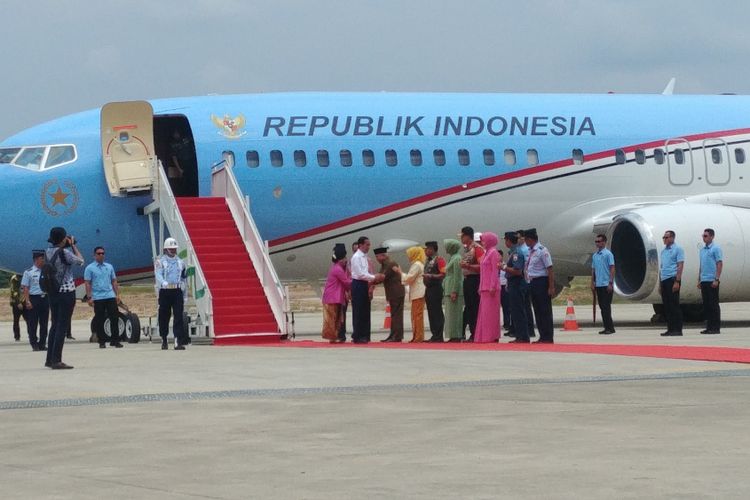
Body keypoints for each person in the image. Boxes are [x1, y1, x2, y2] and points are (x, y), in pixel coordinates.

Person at [45, 227, 84, 369]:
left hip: (53, 291)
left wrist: (65, 244)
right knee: (62, 325)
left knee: (55, 324)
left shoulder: (47, 252)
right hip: (66, 291)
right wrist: (73, 245)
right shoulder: (65, 252)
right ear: (63, 239)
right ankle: (57, 360)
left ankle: (49, 359)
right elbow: (80, 260)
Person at [84, 246, 123, 348]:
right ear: (94, 255)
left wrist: (117, 294)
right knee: (100, 319)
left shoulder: (109, 266)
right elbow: (87, 283)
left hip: (110, 295)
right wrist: (89, 297)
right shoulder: (89, 268)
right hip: (98, 297)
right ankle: (102, 341)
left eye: (103, 253)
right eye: (99, 253)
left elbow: (114, 280)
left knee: (114, 318)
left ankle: (115, 340)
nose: (101, 255)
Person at [155, 237, 188, 349]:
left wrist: (185, 294)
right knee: (164, 316)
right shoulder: (160, 261)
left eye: (174, 248)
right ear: (166, 249)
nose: (173, 250)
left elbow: (184, 278)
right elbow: (158, 274)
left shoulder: (181, 262)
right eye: (171, 249)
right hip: (165, 291)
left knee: (178, 315)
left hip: (177, 291)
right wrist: (163, 282)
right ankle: (164, 338)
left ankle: (177, 340)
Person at [524, 229, 555, 344]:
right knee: (537, 310)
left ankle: (548, 337)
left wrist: (551, 287)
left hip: (542, 282)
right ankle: (542, 336)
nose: (525, 242)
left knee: (545, 311)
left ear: (530, 239)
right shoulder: (530, 251)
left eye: (526, 239)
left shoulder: (542, 250)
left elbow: (550, 269)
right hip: (532, 282)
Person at [503, 232, 530, 343]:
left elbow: (518, 271)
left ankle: (522, 336)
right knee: (515, 310)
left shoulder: (516, 253)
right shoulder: (513, 252)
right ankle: (520, 335)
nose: (505, 242)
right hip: (513, 282)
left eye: (505, 240)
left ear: (509, 241)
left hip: (517, 283)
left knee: (518, 310)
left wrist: (503, 267)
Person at [474, 232, 501, 343]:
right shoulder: (486, 253)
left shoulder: (494, 253)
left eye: (484, 240)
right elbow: (483, 272)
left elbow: (495, 271)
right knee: (484, 314)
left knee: (490, 314)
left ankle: (491, 335)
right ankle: (484, 335)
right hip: (484, 287)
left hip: (491, 287)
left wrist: (493, 286)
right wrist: (480, 286)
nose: (483, 243)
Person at [321, 244, 351, 343]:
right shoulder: (338, 269)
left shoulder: (337, 267)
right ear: (341, 259)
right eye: (345, 258)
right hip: (332, 297)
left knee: (336, 318)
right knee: (332, 319)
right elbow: (346, 282)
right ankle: (332, 337)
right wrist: (358, 282)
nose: (346, 260)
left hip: (335, 297)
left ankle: (333, 337)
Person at [374, 247, 405, 342]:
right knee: (394, 315)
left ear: (383, 255)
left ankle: (396, 336)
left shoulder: (390, 264)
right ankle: (393, 335)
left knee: (396, 315)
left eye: (377, 257)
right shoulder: (385, 264)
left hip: (396, 292)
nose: (377, 259)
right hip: (393, 293)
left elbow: (382, 277)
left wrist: (368, 281)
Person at [459, 226, 484, 341]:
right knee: (469, 307)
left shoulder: (477, 248)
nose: (461, 238)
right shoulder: (467, 249)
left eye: (462, 236)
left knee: (474, 307)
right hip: (468, 280)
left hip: (475, 280)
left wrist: (468, 266)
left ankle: (476, 333)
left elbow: (482, 266)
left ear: (468, 236)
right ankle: (473, 332)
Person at [21, 250, 49, 351]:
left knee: (44, 323)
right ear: (36, 259)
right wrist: (27, 301)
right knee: (33, 323)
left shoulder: (46, 271)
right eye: (42, 259)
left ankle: (42, 343)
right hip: (34, 298)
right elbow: (25, 288)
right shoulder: (28, 272)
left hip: (45, 298)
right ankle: (34, 343)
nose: (44, 261)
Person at [350, 236, 376, 344]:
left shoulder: (364, 257)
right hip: (358, 284)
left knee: (365, 310)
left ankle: (365, 335)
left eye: (369, 245)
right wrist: (374, 277)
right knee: (359, 311)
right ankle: (358, 335)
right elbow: (360, 274)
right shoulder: (356, 257)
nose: (368, 247)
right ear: (360, 245)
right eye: (367, 245)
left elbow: (366, 272)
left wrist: (371, 279)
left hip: (364, 283)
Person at [659, 230, 685, 336]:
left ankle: (677, 329)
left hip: (672, 279)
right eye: (663, 237)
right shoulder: (663, 251)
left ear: (672, 238)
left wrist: (677, 281)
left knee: (674, 305)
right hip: (664, 279)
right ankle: (670, 328)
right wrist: (660, 284)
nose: (664, 239)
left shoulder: (678, 249)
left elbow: (680, 265)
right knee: (667, 306)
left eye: (666, 237)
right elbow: (662, 267)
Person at [698, 228, 722, 335]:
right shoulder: (702, 250)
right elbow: (701, 265)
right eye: (703, 236)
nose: (704, 238)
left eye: (706, 236)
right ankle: (709, 327)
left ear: (712, 237)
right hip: (704, 280)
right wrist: (699, 279)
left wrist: (716, 279)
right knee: (706, 305)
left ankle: (715, 327)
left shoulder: (716, 249)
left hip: (712, 280)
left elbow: (719, 264)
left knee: (713, 305)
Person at [400, 246, 426, 343]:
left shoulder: (417, 265)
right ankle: (417, 336)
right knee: (415, 316)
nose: (409, 256)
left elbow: (409, 279)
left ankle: (418, 337)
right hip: (417, 293)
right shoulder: (418, 264)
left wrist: (400, 273)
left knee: (417, 316)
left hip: (418, 293)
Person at [591, 234, 616, 335]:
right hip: (599, 284)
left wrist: (610, 282)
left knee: (606, 307)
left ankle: (610, 327)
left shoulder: (608, 254)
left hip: (606, 284)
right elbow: (593, 270)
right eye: (596, 241)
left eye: (599, 241)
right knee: (602, 307)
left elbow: (612, 268)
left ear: (604, 242)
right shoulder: (595, 255)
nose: (597, 243)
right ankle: (607, 327)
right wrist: (592, 282)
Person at [423, 241, 446, 342]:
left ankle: (439, 335)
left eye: (428, 249)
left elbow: (443, 274)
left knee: (437, 312)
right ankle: (434, 334)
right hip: (429, 289)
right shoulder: (428, 261)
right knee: (431, 312)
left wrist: (431, 276)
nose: (426, 251)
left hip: (436, 288)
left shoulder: (439, 260)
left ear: (433, 249)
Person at [442, 239, 464, 342]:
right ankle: (452, 335)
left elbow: (457, 276)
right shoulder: (452, 258)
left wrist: (455, 290)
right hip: (448, 288)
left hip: (453, 289)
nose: (445, 248)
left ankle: (456, 335)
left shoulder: (457, 259)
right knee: (450, 314)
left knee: (455, 314)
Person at [516, 229, 535, 337]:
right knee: (523, 306)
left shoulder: (525, 250)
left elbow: (527, 266)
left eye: (519, 237)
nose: (517, 239)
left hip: (525, 280)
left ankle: (530, 329)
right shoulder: (519, 249)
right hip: (521, 279)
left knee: (526, 307)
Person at [9, 273, 24, 341]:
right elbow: (14, 291)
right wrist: (18, 303)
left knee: (29, 320)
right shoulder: (14, 278)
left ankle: (31, 334)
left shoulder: (26, 276)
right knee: (16, 320)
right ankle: (17, 336)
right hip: (16, 303)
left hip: (25, 301)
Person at [499, 249, 510, 332]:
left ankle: (507, 323)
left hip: (504, 287)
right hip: (496, 287)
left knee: (506, 306)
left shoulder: (505, 265)